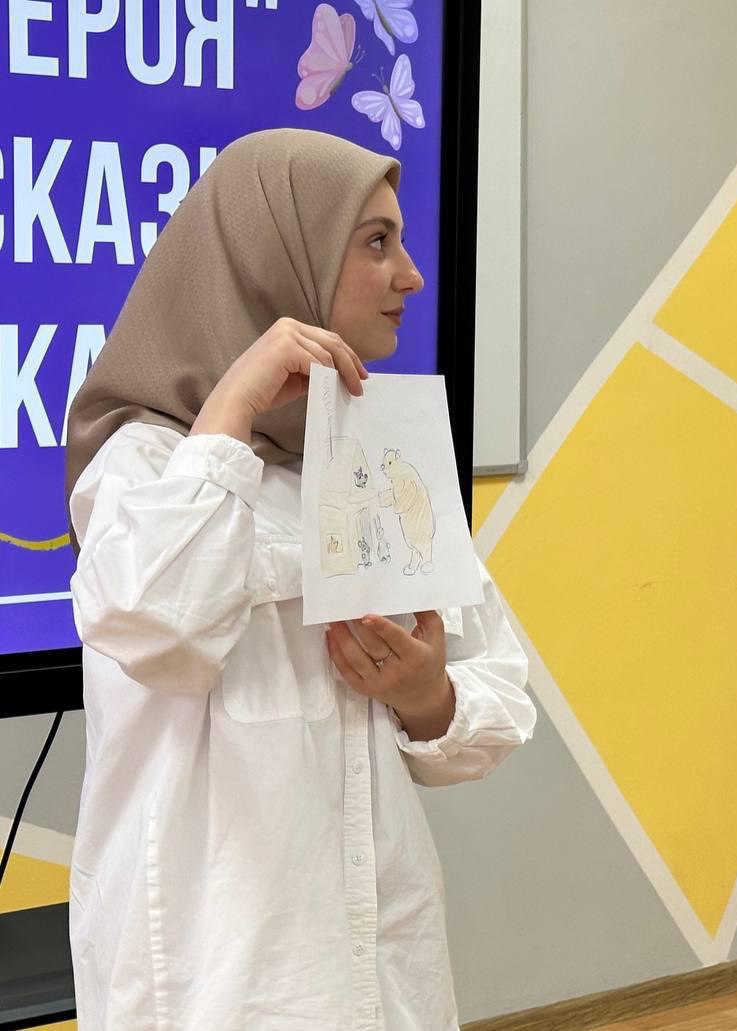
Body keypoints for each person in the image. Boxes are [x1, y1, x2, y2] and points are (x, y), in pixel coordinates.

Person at [63, 128, 536, 1030]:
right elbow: (156, 627)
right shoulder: (143, 462)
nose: (411, 276)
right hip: (216, 987)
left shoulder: (373, 449)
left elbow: (499, 688)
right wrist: (235, 406)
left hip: (383, 973)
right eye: (376, 242)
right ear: (276, 259)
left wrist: (428, 696)